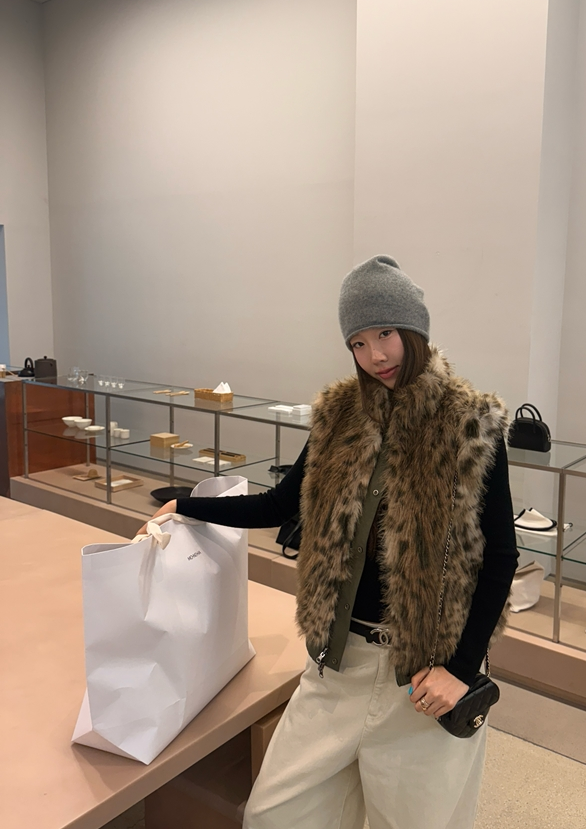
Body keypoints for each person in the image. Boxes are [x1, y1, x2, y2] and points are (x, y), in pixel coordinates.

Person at [141, 254, 518, 829]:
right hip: (337, 664)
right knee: (274, 814)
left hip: (423, 676)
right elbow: (280, 504)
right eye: (358, 343)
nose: (376, 356)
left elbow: (501, 557)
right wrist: (187, 505)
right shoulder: (341, 414)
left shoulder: (471, 422)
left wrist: (462, 670)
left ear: (414, 329)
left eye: (385, 334)